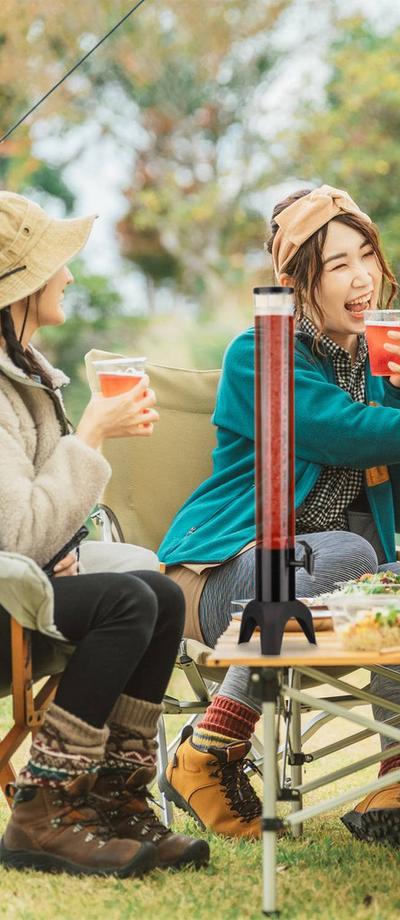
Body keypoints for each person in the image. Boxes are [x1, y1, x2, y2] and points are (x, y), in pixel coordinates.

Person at [158, 185, 400, 850]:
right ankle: (209, 749)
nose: (363, 276)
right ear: (295, 283)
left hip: (331, 592)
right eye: (339, 264)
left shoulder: (377, 361)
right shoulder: (260, 353)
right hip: (226, 578)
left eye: (367, 255)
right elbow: (349, 435)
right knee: (353, 555)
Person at [0, 191, 208, 875]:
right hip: (4, 612)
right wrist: (90, 434)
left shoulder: (25, 375)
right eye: (56, 264)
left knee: (161, 594)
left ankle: (116, 798)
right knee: (127, 600)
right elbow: (19, 532)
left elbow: (34, 528)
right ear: (21, 286)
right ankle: (43, 810)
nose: (68, 275)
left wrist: (63, 550)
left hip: (18, 598)